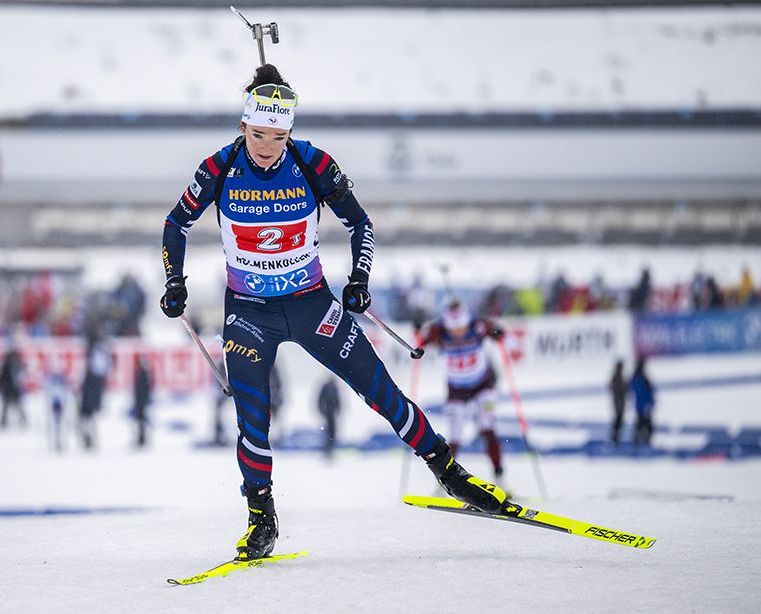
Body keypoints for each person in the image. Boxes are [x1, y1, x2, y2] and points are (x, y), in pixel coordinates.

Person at [159, 64, 513, 561]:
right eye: (257, 134)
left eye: (277, 136)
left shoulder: (312, 163)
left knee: (379, 390)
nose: (266, 146)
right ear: (243, 127)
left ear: (290, 132)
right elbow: (176, 223)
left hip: (311, 304)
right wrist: (175, 281)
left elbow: (361, 224)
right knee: (252, 417)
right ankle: (262, 517)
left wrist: (360, 279)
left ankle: (449, 473)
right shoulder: (218, 168)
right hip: (248, 314)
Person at [420, 300, 506, 478]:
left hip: (482, 384)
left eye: (462, 327)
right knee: (455, 436)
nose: (458, 332)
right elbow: (421, 341)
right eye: (454, 328)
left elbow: (498, 331)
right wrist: (419, 344)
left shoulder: (478, 326)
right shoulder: (440, 331)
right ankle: (446, 480)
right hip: (456, 389)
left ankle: (500, 477)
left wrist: (498, 333)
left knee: (488, 427)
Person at [79, 329, 112, 450]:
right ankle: (90, 440)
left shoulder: (98, 354)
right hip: (90, 392)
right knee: (87, 418)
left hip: (91, 393)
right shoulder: (98, 354)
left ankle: (91, 440)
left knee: (89, 418)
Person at [0, 341, 27, 429]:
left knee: (15, 406)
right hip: (9, 388)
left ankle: (22, 421)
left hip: (13, 388)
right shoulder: (7, 364)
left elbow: (20, 376)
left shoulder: (16, 363)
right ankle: (3, 422)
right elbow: (2, 376)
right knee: (6, 407)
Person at [629, 357, 656, 446]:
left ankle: (638, 440)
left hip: (640, 405)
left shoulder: (636, 378)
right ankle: (643, 441)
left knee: (641, 424)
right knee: (647, 425)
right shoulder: (641, 378)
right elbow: (645, 392)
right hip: (644, 405)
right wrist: (649, 403)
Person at [316, 376, 342, 459]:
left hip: (332, 412)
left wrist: (338, 409)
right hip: (327, 412)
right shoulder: (325, 387)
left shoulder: (335, 388)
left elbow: (338, 400)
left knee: (333, 431)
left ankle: (331, 448)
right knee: (328, 431)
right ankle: (327, 450)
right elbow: (320, 400)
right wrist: (322, 410)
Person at [133, 355, 153, 448]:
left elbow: (144, 388)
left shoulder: (143, 373)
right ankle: (141, 438)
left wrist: (142, 400)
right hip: (141, 401)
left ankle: (142, 439)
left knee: (142, 421)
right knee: (141, 421)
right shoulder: (144, 373)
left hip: (141, 401)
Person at [609, 360, 626, 445]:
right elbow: (613, 388)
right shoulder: (617, 377)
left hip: (619, 400)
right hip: (618, 400)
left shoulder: (619, 376)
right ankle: (615, 438)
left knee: (618, 419)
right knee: (618, 419)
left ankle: (616, 437)